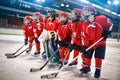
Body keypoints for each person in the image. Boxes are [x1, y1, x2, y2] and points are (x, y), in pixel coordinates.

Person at [80, 6, 113, 79]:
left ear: (90, 12)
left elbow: (111, 24)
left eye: (85, 12)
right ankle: (87, 67)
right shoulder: (85, 24)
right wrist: (85, 45)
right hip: (90, 43)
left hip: (101, 42)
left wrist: (107, 31)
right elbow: (84, 35)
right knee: (87, 56)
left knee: (98, 57)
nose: (84, 14)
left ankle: (98, 70)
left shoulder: (102, 19)